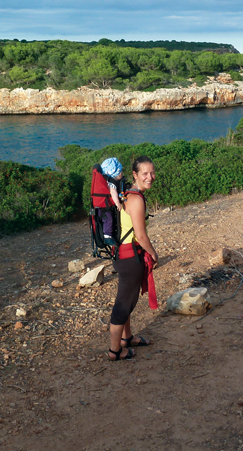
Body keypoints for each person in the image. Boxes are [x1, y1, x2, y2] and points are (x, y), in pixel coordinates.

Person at [108, 155, 158, 361]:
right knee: (123, 303)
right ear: (135, 175)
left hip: (124, 255)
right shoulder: (136, 199)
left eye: (152, 173)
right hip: (130, 257)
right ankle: (114, 351)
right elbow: (141, 235)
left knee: (129, 299)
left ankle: (126, 338)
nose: (150, 177)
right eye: (145, 173)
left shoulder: (128, 194)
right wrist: (154, 253)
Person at [99, 157, 124, 242]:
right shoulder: (111, 183)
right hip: (105, 208)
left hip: (101, 207)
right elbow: (113, 194)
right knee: (108, 221)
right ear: (115, 173)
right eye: (120, 172)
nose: (122, 173)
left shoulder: (107, 181)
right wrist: (118, 203)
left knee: (107, 221)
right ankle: (107, 237)